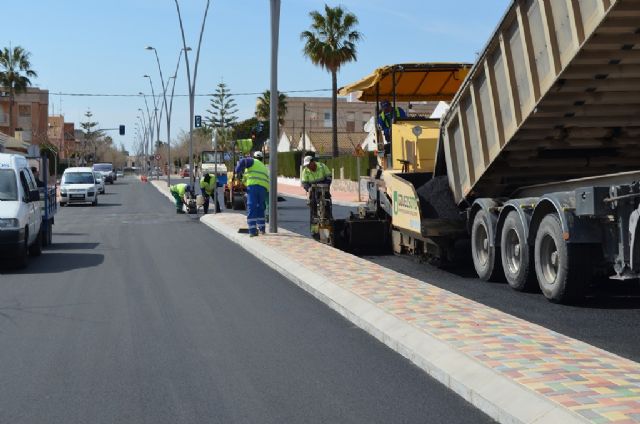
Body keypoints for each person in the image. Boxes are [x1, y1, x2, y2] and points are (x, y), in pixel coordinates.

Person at [235, 151, 270, 237]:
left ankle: (252, 230)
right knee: (260, 207)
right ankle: (262, 229)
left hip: (254, 187)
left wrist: (237, 171)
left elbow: (242, 161)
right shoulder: (264, 167)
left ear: (254, 157)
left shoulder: (253, 161)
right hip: (264, 189)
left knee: (252, 207)